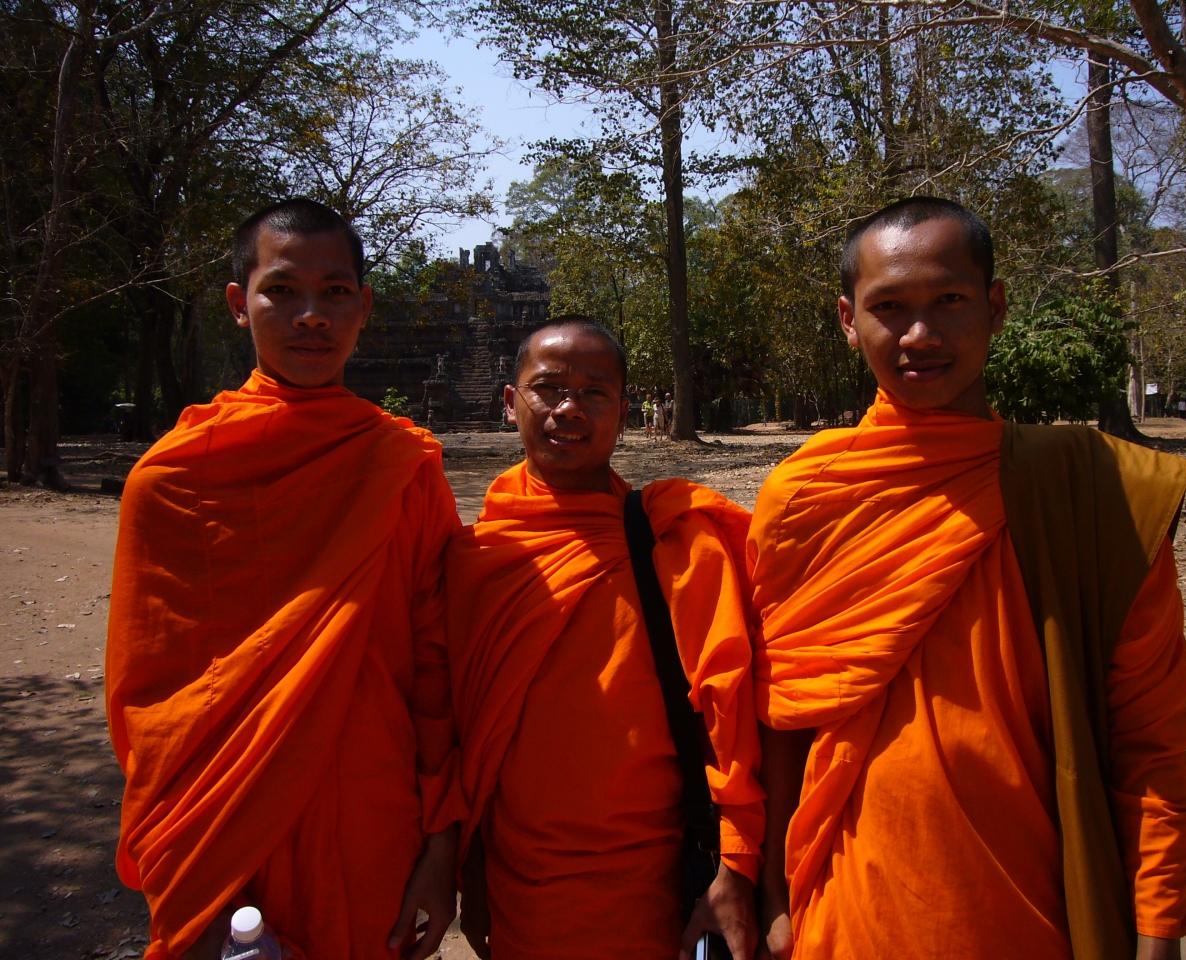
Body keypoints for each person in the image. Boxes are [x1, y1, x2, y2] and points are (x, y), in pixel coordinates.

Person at [749, 197, 1186, 960]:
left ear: (995, 306)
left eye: (950, 300)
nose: (920, 334)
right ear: (849, 320)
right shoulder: (808, 496)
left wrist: (1158, 928)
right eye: (889, 307)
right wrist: (772, 894)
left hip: (1032, 908)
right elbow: (783, 715)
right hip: (850, 905)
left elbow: (1150, 736)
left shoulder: (1090, 494)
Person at [106, 198, 462, 960]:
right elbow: (148, 700)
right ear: (239, 304)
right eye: (282, 291)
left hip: (372, 821)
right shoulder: (172, 481)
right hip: (224, 828)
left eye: (335, 293)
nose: (311, 316)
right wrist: (191, 855)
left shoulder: (402, 467)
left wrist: (442, 845)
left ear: (363, 307)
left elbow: (436, 664)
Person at [445, 318, 764, 960]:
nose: (569, 409)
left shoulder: (673, 538)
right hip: (522, 885)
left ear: (623, 412)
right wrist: (467, 867)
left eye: (594, 393)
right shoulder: (476, 559)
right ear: (510, 402)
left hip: (655, 881)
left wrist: (736, 865)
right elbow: (464, 735)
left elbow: (728, 712)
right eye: (548, 388)